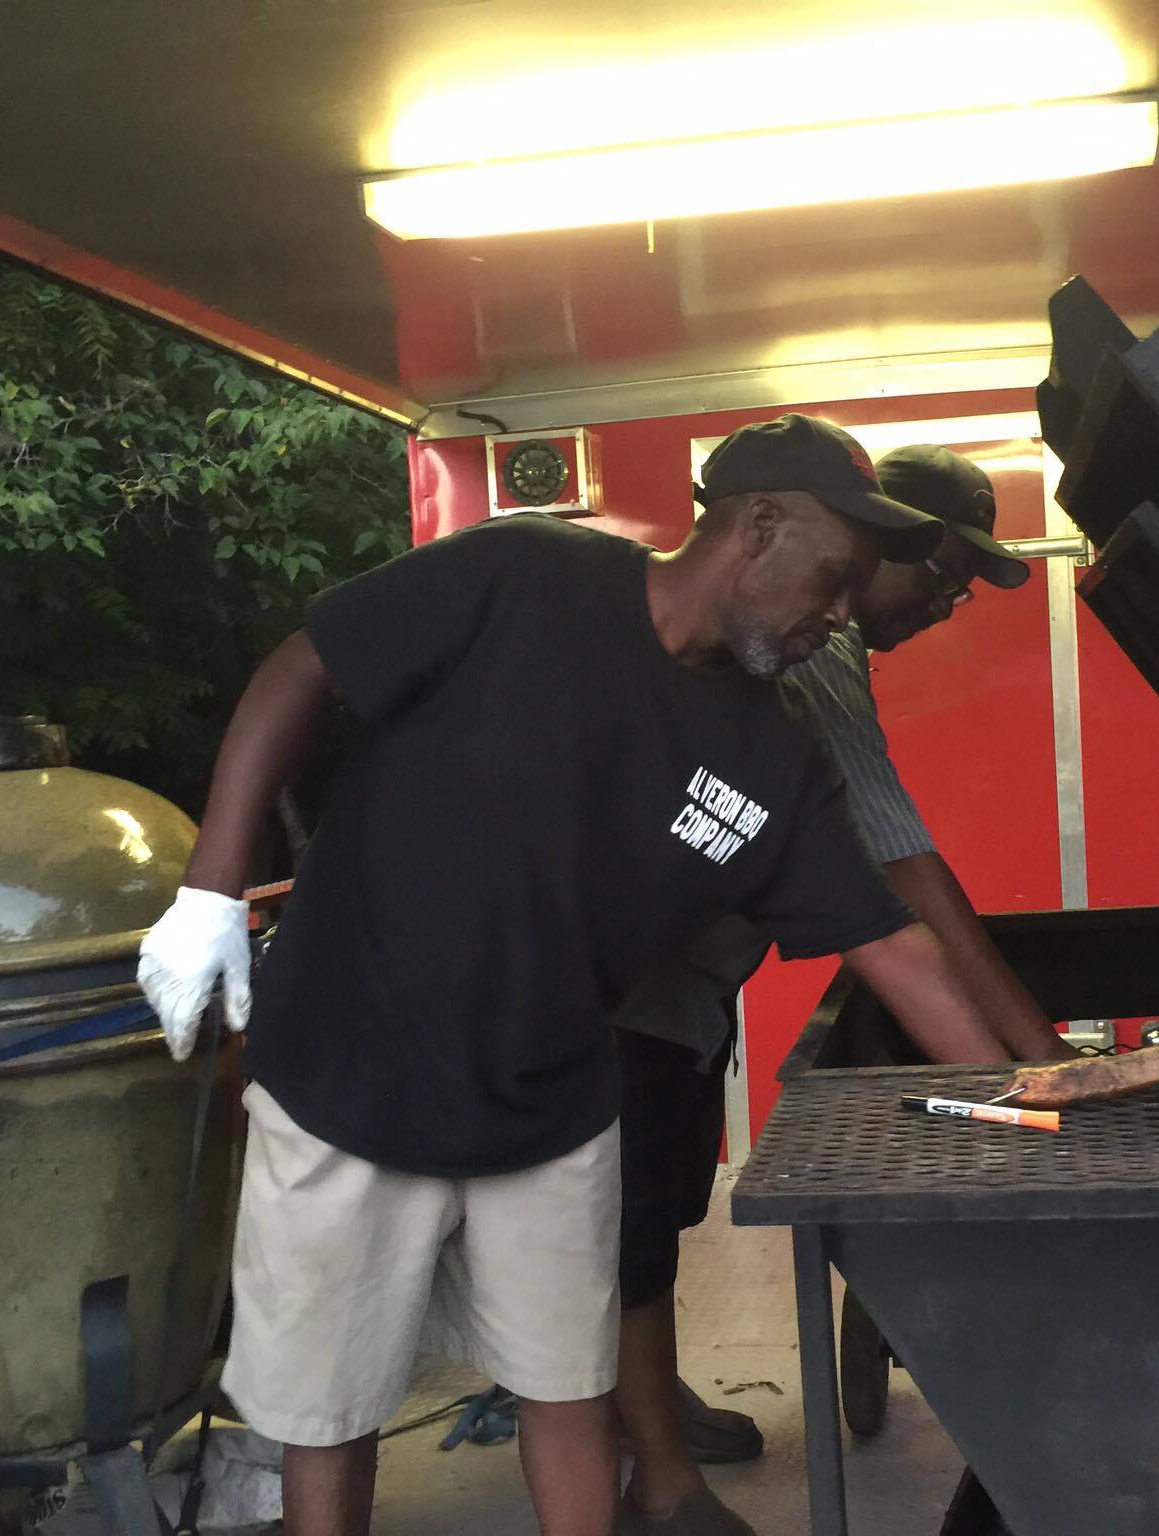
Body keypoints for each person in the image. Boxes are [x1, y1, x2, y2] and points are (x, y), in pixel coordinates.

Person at [134, 415, 1021, 1536]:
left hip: (551, 1097)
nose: (840, 614)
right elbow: (305, 664)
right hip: (347, 1071)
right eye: (834, 580)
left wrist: (1026, 1107)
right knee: (331, 1407)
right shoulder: (525, 575)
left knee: (570, 1387)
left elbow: (888, 941)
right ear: (756, 529)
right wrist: (212, 886)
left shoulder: (769, 759)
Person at [612, 445, 1076, 1536]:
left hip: (680, 976)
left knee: (660, 1203)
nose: (947, 599)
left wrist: (1038, 1067)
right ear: (869, 543)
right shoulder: (816, 652)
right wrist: (1039, 1071)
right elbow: (902, 871)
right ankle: (652, 1467)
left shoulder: (811, 645)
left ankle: (645, 1404)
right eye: (940, 571)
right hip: (631, 977)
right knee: (629, 1215)